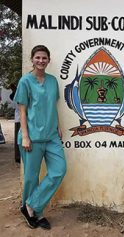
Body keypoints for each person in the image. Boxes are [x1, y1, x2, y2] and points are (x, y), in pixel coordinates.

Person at [14, 45, 67, 230]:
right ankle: (35, 213)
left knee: (59, 170)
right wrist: (25, 136)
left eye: (44, 58)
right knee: (31, 177)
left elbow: (52, 106)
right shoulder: (25, 81)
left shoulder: (52, 81)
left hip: (52, 135)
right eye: (38, 58)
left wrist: (58, 127)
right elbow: (22, 111)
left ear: (48, 60)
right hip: (32, 137)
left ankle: (30, 205)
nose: (41, 61)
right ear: (32, 59)